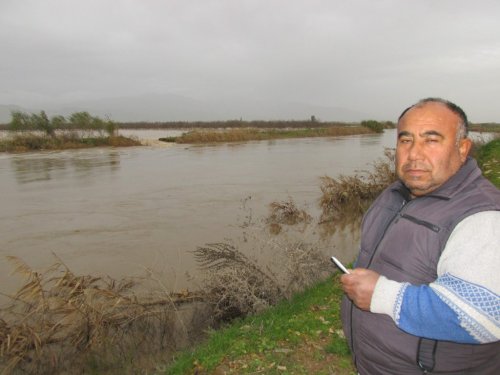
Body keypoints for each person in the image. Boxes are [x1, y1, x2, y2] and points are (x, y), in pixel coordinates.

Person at [339, 98, 500, 374]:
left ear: (462, 149)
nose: (414, 153)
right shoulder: (393, 195)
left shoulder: (483, 217)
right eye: (406, 140)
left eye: (431, 140)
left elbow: (483, 316)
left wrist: (381, 294)